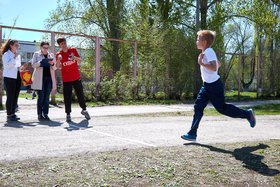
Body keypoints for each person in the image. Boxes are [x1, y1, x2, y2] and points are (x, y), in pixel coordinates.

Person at [181, 30, 256, 141]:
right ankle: (192, 134)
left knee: (222, 108)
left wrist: (202, 63)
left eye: (198, 39)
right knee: (198, 107)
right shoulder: (207, 53)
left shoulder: (209, 51)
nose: (196, 41)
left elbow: (215, 67)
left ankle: (247, 114)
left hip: (214, 86)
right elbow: (218, 64)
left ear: (205, 42)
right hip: (206, 85)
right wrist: (209, 63)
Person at [55, 36, 90, 122]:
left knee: (80, 94)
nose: (64, 45)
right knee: (67, 97)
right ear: (59, 45)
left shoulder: (73, 50)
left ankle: (84, 110)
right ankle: (68, 114)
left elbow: (80, 61)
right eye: (61, 44)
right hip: (66, 79)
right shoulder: (59, 54)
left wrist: (74, 58)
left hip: (76, 77)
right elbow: (56, 66)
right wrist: (59, 60)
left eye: (64, 43)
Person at [1, 39, 28, 122]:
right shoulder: (6, 54)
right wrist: (14, 57)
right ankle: (9, 114)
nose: (17, 47)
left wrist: (23, 67)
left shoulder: (17, 55)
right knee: (10, 96)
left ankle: (13, 113)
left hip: (17, 76)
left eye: (18, 45)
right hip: (9, 77)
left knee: (16, 95)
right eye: (16, 45)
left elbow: (17, 67)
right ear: (11, 45)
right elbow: (8, 66)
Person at [31, 41, 57, 121]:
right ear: (41, 47)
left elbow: (55, 68)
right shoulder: (36, 54)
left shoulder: (51, 55)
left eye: (47, 48)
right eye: (44, 48)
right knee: (41, 97)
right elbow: (33, 65)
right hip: (40, 79)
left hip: (49, 79)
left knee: (46, 97)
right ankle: (39, 114)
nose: (46, 49)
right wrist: (40, 62)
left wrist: (52, 64)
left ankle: (46, 114)